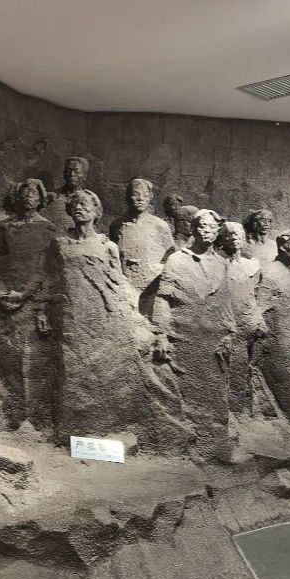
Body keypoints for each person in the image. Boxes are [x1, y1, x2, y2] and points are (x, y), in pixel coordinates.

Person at [47, 190, 190, 452]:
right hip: (72, 316)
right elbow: (50, 280)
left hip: (104, 314)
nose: (80, 208)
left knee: (104, 370)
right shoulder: (60, 244)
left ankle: (107, 426)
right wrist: (43, 311)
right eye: (75, 205)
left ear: (96, 211)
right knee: (74, 372)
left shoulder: (108, 246)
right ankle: (75, 432)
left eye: (86, 205)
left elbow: (119, 281)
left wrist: (135, 313)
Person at [154, 209, 234, 458]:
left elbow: (226, 302)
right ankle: (192, 447)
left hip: (215, 339)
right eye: (202, 226)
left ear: (217, 231)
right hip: (184, 337)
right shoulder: (178, 260)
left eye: (212, 227)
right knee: (188, 394)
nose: (207, 231)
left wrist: (230, 332)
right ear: (193, 230)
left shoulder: (222, 263)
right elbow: (163, 298)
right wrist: (161, 334)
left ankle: (217, 447)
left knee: (216, 394)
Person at [0, 178, 58, 428]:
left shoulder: (48, 229)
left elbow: (48, 268)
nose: (29, 196)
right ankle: (9, 413)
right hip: (5, 298)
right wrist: (1, 290)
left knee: (34, 359)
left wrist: (31, 297)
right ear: (17, 197)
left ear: (41, 198)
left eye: (34, 193)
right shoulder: (4, 228)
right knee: (7, 356)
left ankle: (35, 418)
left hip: (34, 301)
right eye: (24, 192)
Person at [253, 230, 290, 433]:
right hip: (276, 337)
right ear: (282, 246)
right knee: (284, 376)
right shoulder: (271, 272)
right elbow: (260, 304)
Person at [109, 178, 176, 316]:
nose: (140, 199)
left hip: (150, 288)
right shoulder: (116, 225)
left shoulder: (160, 226)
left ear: (150, 197)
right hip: (125, 285)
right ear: (127, 197)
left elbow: (170, 259)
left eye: (145, 195)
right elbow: (112, 258)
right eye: (136, 194)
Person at [218, 221, 265, 418]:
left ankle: (241, 411)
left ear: (243, 237)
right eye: (228, 234)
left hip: (246, 323)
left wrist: (258, 319)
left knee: (243, 367)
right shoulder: (217, 265)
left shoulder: (251, 265)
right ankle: (228, 412)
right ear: (221, 239)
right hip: (225, 323)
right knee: (225, 369)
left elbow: (253, 294)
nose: (234, 238)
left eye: (237, 234)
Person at [44, 155, 90, 232]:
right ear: (64, 173)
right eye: (68, 171)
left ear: (84, 176)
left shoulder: (89, 200)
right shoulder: (53, 197)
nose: (72, 174)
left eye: (76, 171)